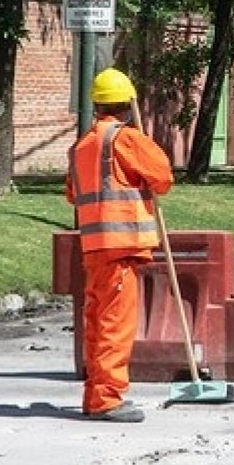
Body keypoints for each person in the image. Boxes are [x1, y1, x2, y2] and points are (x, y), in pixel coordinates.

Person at [65, 68, 174, 423]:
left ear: (96, 104)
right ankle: (106, 400)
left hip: (94, 248)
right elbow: (163, 178)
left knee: (97, 322)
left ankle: (95, 394)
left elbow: (72, 194)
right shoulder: (125, 140)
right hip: (121, 246)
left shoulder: (81, 146)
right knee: (114, 324)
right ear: (128, 104)